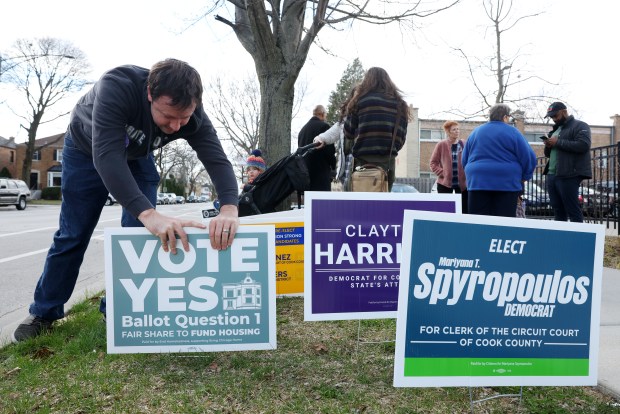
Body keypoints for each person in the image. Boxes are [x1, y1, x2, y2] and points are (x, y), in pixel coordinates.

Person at [12, 59, 240, 342]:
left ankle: (120, 309)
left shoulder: (192, 116)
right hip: (86, 149)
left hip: (136, 156)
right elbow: (106, 156)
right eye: (168, 116)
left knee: (139, 237)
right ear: (149, 94)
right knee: (74, 233)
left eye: (183, 117)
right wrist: (149, 214)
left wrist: (229, 208)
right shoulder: (116, 86)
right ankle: (44, 311)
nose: (176, 125)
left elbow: (216, 159)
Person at [461, 103, 537, 217]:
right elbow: (529, 157)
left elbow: (464, 159)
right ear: (505, 117)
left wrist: (471, 175)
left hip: (478, 181)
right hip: (506, 182)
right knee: (503, 221)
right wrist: (524, 177)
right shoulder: (513, 132)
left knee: (478, 220)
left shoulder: (476, 132)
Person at [343, 67, 409, 191]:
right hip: (387, 162)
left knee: (359, 203)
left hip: (362, 162)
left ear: (367, 80)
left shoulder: (360, 100)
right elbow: (400, 139)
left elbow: (348, 132)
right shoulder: (400, 104)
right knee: (382, 204)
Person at [541, 102, 592, 222]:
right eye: (551, 117)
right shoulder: (555, 129)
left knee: (572, 209)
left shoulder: (580, 125)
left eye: (555, 115)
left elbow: (584, 145)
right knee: (558, 210)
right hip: (552, 174)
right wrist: (548, 145)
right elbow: (548, 154)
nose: (554, 119)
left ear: (564, 112)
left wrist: (557, 142)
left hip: (569, 173)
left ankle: (578, 239)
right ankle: (560, 239)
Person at [313, 86, 357, 188]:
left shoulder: (368, 116)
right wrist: (320, 138)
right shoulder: (345, 120)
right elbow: (331, 133)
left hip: (363, 170)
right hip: (347, 171)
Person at [430, 121, 468, 213]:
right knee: (445, 211)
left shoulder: (464, 143)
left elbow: (469, 160)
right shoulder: (441, 145)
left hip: (462, 184)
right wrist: (443, 173)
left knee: (464, 211)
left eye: (458, 129)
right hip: (445, 184)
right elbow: (433, 163)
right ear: (448, 132)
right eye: (454, 129)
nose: (457, 131)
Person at [297, 105, 335, 191]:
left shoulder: (302, 130)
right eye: (325, 114)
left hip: (305, 173)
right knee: (322, 202)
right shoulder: (324, 127)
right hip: (321, 173)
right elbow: (330, 151)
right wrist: (333, 166)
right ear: (322, 114)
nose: (326, 117)